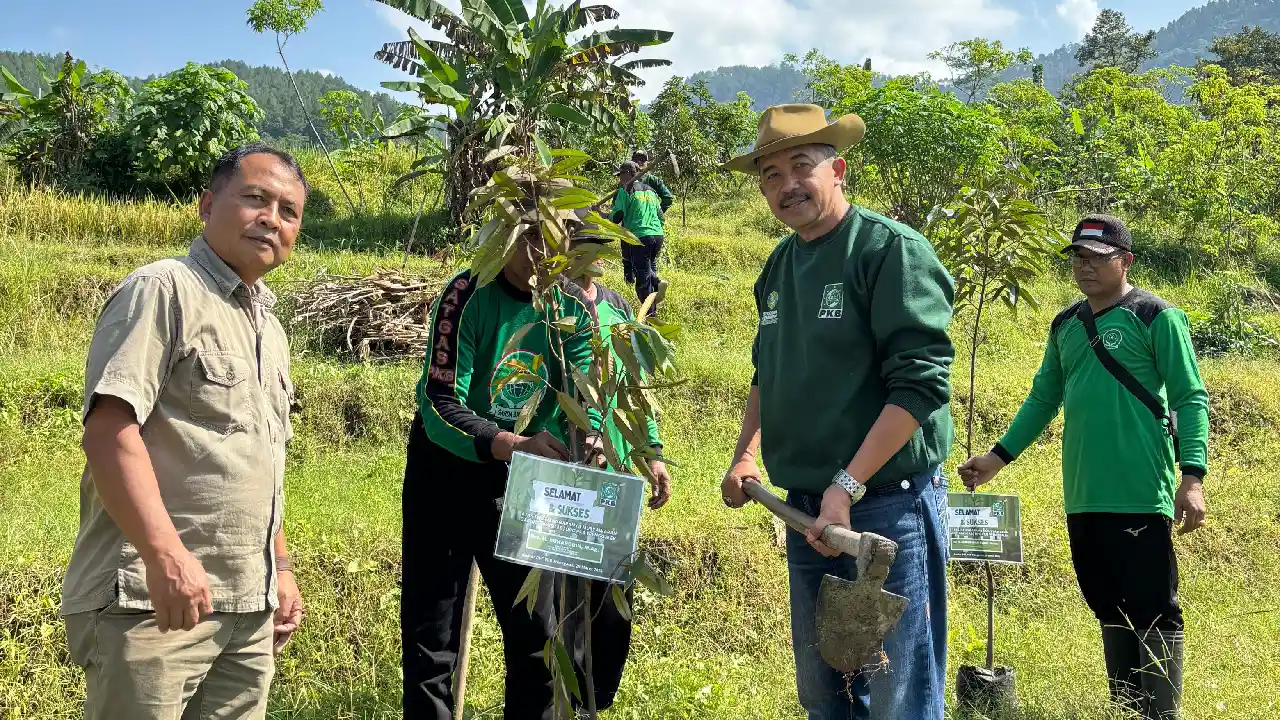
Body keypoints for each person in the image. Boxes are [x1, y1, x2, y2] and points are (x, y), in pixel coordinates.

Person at [719, 104, 956, 720]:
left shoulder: (888, 251)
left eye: (801, 166)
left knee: (900, 695)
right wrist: (745, 454)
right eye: (770, 175)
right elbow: (767, 373)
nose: (786, 185)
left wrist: (846, 487)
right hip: (807, 512)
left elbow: (920, 386)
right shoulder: (779, 265)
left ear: (838, 170)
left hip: (884, 510)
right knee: (826, 693)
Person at [62, 143, 309, 720]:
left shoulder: (268, 327)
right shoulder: (163, 290)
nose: (271, 218)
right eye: (255, 198)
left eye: (289, 211)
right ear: (207, 205)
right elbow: (109, 431)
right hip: (154, 601)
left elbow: (258, 458)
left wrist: (281, 570)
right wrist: (165, 556)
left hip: (247, 607)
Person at [959, 215, 1209, 720]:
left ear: (1126, 261)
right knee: (1107, 604)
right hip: (1082, 493)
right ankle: (1126, 708)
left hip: (1140, 490)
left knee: (1153, 607)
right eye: (1078, 257)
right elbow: (1042, 399)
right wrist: (997, 457)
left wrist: (1192, 477)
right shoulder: (1066, 325)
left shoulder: (1156, 317)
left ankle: (1159, 714)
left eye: (1097, 257)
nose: (1085, 267)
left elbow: (1189, 397)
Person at [400, 205, 603, 720]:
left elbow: (582, 398)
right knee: (431, 636)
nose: (542, 254)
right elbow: (440, 403)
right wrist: (508, 442)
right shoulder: (467, 293)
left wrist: (590, 439)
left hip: (527, 478)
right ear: (506, 235)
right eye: (531, 238)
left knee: (537, 635)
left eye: (555, 241)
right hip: (448, 471)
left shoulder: (573, 309)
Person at [559, 210, 673, 710]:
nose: (598, 255)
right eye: (586, 243)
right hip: (563, 469)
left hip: (616, 471)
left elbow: (636, 387)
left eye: (601, 245)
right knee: (561, 592)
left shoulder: (619, 307)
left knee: (610, 595)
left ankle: (595, 698)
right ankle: (562, 696)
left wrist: (653, 454)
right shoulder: (548, 306)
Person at [610, 160, 667, 313]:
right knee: (647, 269)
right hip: (657, 235)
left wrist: (601, 215)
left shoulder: (625, 190)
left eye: (620, 175)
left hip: (640, 238)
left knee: (642, 281)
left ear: (628, 173)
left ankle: (650, 315)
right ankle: (656, 282)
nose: (619, 178)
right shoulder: (650, 191)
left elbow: (616, 216)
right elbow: (661, 217)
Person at [630, 151, 675, 217]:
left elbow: (668, 198)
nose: (639, 162)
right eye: (636, 160)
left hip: (649, 220)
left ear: (647, 162)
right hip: (631, 220)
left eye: (642, 159)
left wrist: (656, 214)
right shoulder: (626, 180)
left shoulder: (654, 180)